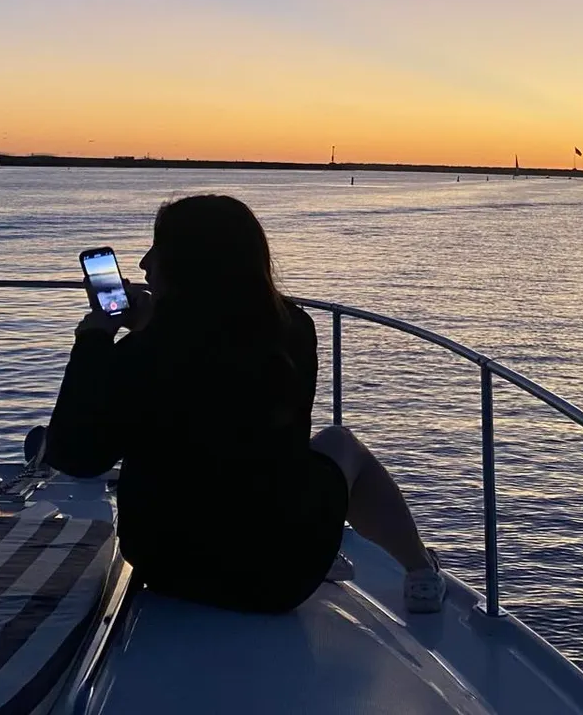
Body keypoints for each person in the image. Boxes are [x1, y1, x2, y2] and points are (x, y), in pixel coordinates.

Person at [45, 194, 446, 616]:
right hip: (279, 574)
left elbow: (76, 457)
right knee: (340, 444)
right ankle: (421, 572)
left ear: (186, 264)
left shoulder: (142, 355)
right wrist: (153, 326)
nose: (144, 264)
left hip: (167, 567)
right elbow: (259, 434)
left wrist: (95, 342)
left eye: (157, 249)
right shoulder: (294, 330)